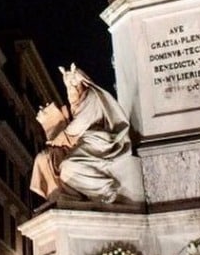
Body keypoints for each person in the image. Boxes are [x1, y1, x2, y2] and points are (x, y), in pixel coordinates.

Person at [30, 63, 133, 204]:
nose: (71, 89)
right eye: (68, 85)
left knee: (68, 167)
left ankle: (105, 190)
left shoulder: (91, 97)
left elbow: (77, 127)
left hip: (99, 142)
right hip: (87, 140)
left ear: (81, 81)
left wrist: (56, 137)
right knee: (44, 158)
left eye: (72, 84)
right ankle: (65, 196)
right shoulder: (81, 100)